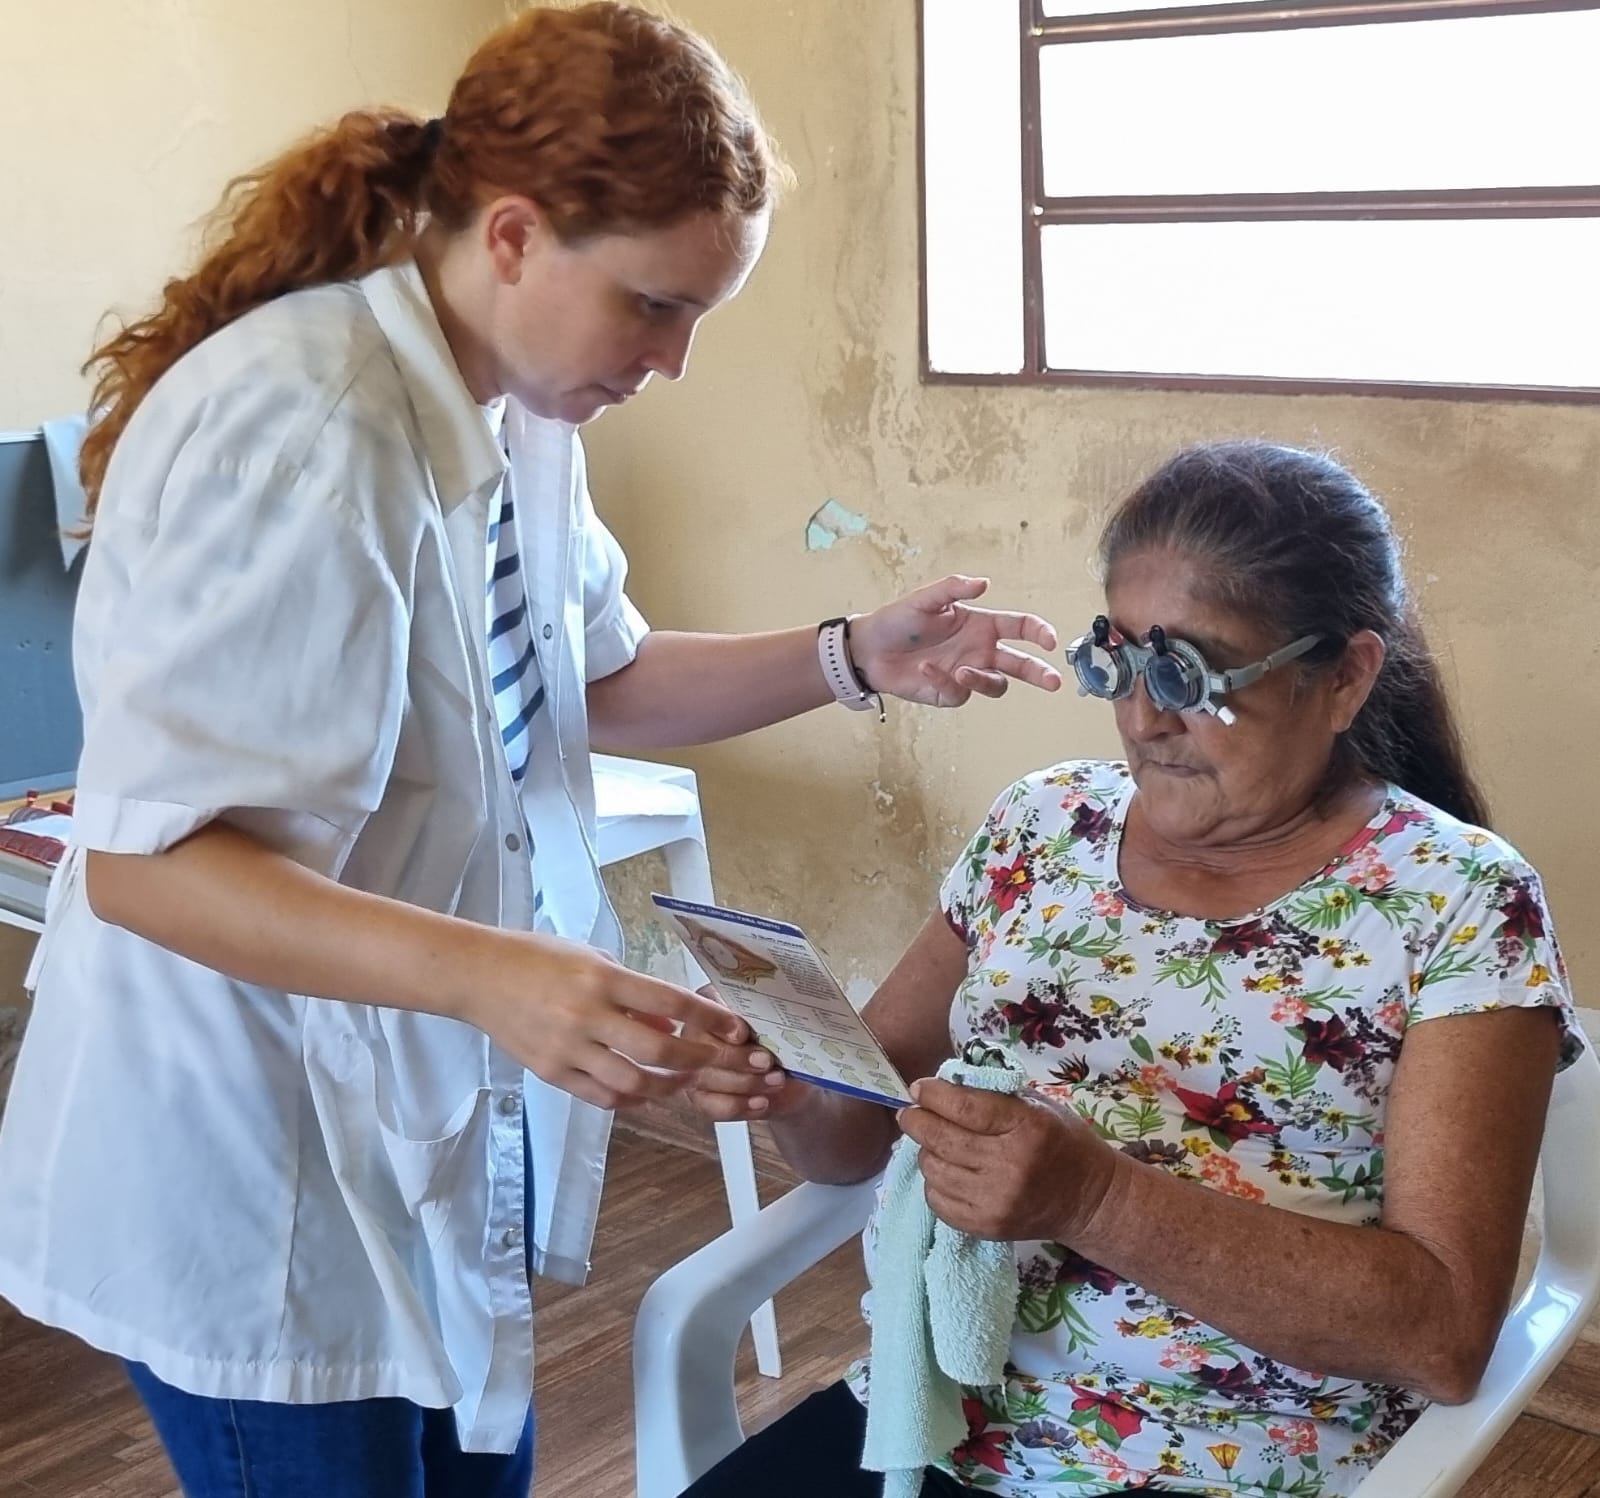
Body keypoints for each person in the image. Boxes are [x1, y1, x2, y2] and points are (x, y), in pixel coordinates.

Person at [0, 7, 1062, 1496]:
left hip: (405, 1105)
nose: (672, 361)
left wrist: (851, 654)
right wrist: (503, 977)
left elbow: (591, 676)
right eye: (655, 306)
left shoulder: (511, 412)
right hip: (249, 1149)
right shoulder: (302, 433)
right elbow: (149, 867)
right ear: (511, 235)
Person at [686, 440, 1582, 1498]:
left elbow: (1441, 1333)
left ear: (1344, 675)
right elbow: (854, 1136)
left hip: (1223, 1457)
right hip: (928, 1405)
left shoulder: (1457, 900)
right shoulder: (1042, 826)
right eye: (1116, 660)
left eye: (1189, 675)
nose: (1144, 718)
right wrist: (790, 1082)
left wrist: (1097, 1198)